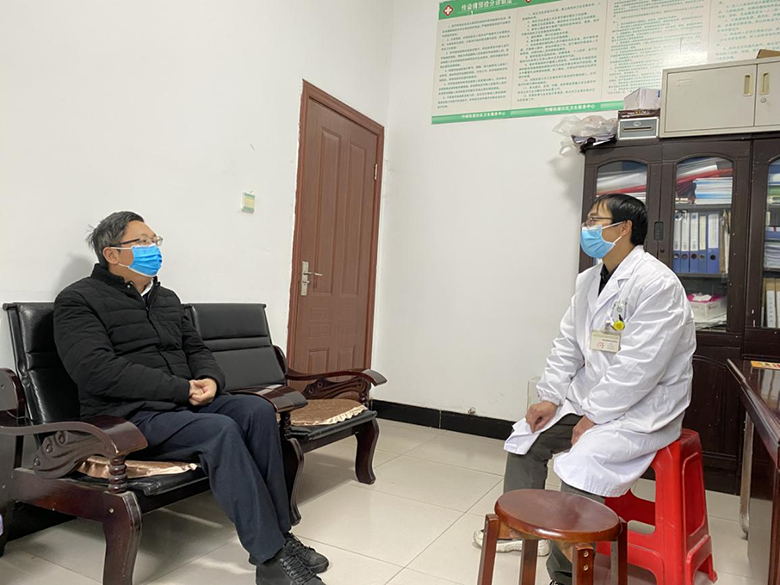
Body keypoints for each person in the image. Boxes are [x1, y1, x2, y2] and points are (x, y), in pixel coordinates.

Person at [53, 211, 328, 585]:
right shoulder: (78, 300)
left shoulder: (166, 298)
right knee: (219, 430)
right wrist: (179, 389)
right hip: (126, 416)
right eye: (142, 242)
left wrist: (211, 380)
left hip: (182, 404)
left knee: (256, 411)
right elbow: (96, 370)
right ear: (112, 254)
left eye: (155, 241)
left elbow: (196, 348)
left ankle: (280, 537)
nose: (153, 248)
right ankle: (271, 559)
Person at [474, 194, 696, 585]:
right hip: (592, 396)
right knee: (527, 436)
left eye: (596, 221)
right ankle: (523, 532)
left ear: (624, 229)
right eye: (588, 220)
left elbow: (640, 368)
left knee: (583, 463)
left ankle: (567, 574)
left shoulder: (657, 284)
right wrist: (550, 397)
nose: (587, 229)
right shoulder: (590, 280)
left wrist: (594, 417)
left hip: (643, 407)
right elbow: (568, 344)